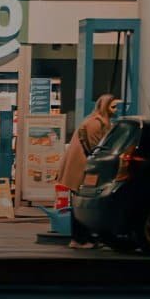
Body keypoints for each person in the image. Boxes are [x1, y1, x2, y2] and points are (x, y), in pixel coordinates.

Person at [57, 93, 121, 249]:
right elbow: (94, 148)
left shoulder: (96, 121)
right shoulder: (95, 123)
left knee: (82, 203)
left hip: (81, 167)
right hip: (81, 168)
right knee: (81, 204)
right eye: (113, 106)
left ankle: (83, 238)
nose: (116, 110)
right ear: (105, 107)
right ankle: (79, 239)